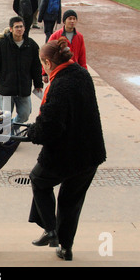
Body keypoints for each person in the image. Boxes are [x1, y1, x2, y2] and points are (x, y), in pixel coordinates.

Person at [27, 37, 106, 261]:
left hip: (68, 153)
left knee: (38, 180)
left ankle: (50, 230)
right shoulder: (81, 74)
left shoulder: (60, 84)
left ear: (49, 63)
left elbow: (49, 127)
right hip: (90, 153)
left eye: (43, 64)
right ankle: (65, 247)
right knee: (71, 201)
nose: (42, 68)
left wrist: (32, 132)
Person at [0, 16, 43, 126]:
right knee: (5, 116)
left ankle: (13, 127)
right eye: (16, 27)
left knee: (25, 114)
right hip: (7, 89)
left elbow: (36, 67)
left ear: (25, 28)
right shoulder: (2, 45)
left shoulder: (31, 45)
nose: (19, 29)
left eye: (21, 26)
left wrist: (38, 83)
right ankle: (9, 136)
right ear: (11, 29)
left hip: (24, 89)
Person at [42, 9, 86, 83]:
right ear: (64, 21)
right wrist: (44, 73)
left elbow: (82, 56)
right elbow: (47, 54)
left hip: (75, 72)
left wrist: (85, 73)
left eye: (74, 19)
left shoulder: (79, 37)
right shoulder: (55, 36)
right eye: (70, 19)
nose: (72, 21)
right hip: (59, 72)